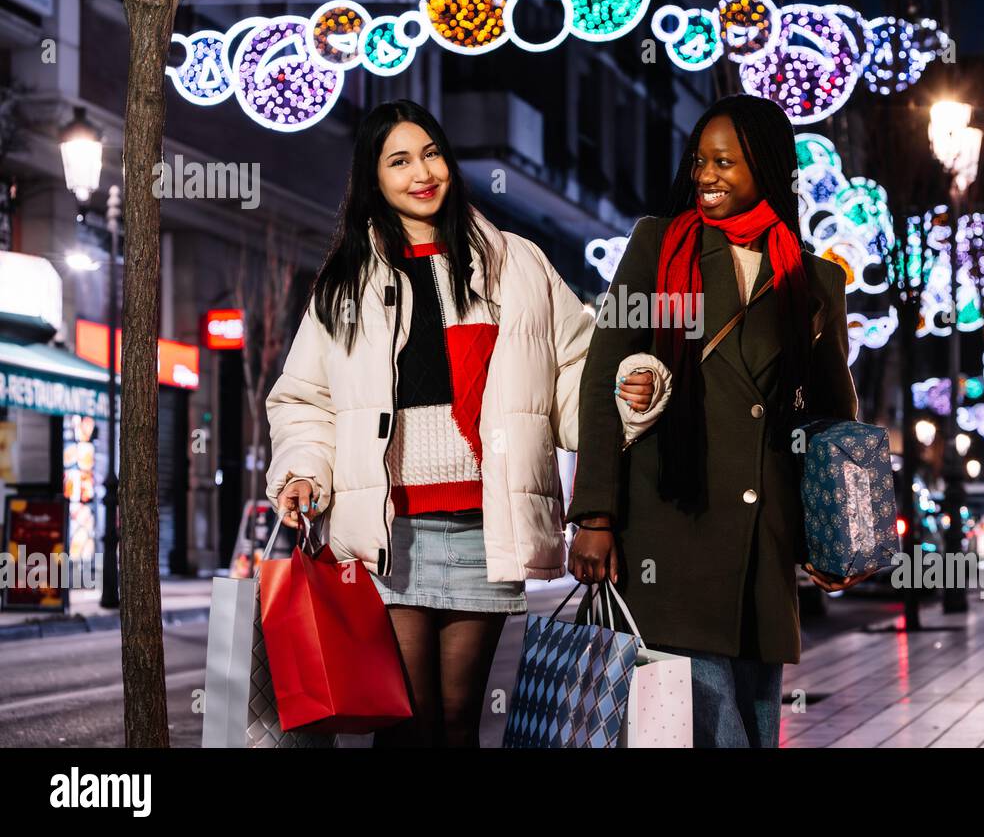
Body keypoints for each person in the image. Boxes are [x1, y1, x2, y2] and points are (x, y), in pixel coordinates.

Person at [265, 99, 593, 747]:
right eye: (400, 160)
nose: (422, 171)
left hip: (484, 526)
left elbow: (576, 368)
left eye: (431, 153)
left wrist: (635, 399)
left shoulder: (515, 263)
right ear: (374, 178)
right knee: (407, 721)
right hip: (391, 531)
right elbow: (305, 399)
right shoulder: (347, 282)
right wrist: (304, 470)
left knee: (457, 719)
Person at [566, 94, 864, 748]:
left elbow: (831, 416)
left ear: (766, 167)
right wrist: (595, 516)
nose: (705, 175)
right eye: (699, 160)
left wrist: (842, 535)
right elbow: (601, 379)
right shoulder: (656, 246)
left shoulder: (814, 280)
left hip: (765, 544)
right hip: (669, 529)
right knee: (701, 728)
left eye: (724, 162)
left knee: (754, 727)